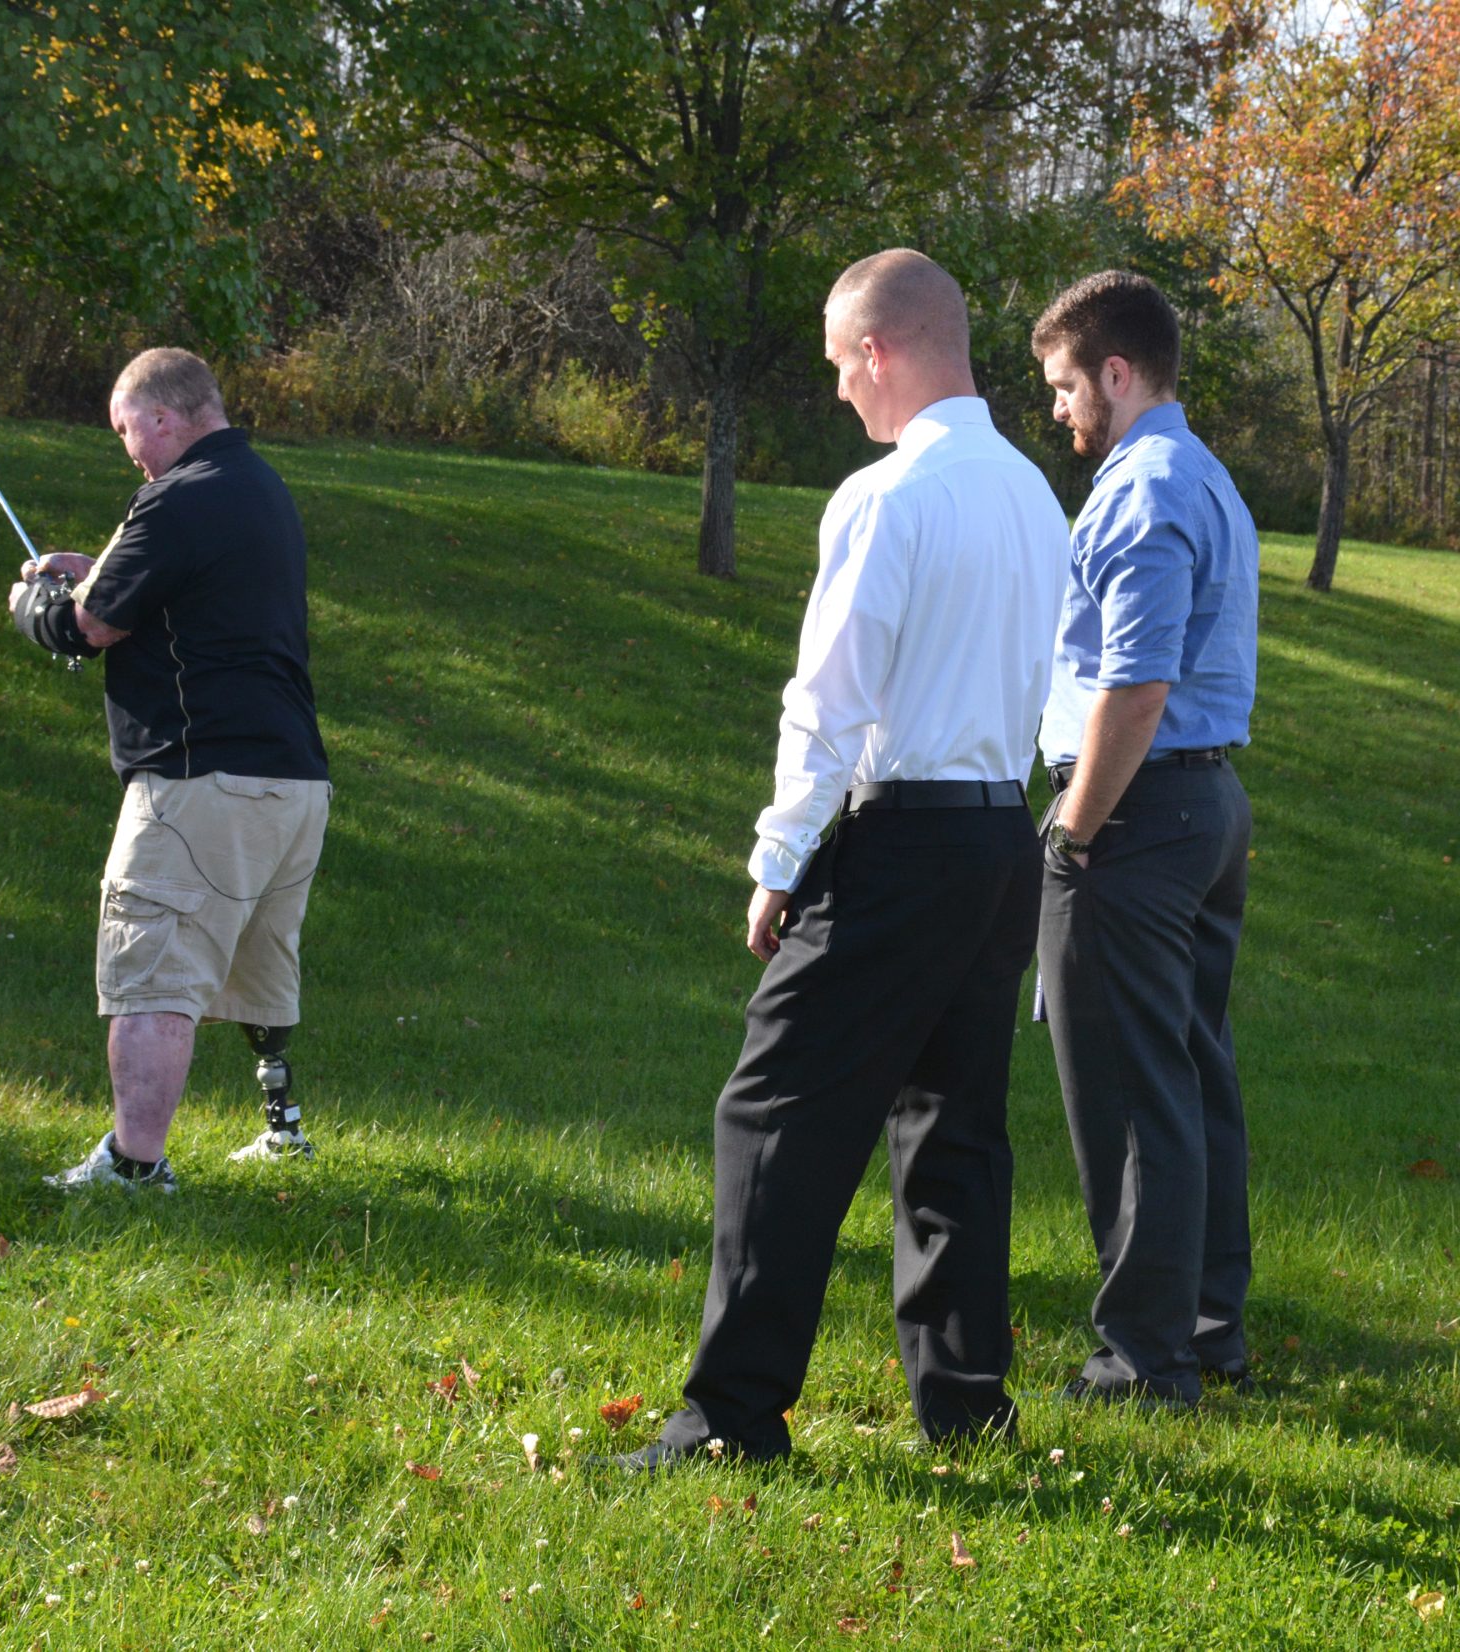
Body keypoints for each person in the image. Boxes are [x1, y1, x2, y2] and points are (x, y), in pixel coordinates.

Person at [616, 250, 1071, 1468]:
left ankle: (729, 1418)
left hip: (904, 836)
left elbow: (826, 700)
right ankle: (966, 1406)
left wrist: (777, 858)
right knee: (953, 1127)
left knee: (771, 1110)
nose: (835, 392)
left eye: (836, 364)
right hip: (994, 840)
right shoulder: (1034, 493)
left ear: (879, 349)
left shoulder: (885, 495)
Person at [6, 347, 331, 1191]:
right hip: (291, 782)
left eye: (126, 430)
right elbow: (174, 597)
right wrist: (98, 573)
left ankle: (135, 1166)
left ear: (161, 416)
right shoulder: (258, 486)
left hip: (200, 782)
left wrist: (38, 607)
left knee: (151, 969)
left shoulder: (173, 498)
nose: (129, 451)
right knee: (261, 969)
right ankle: (282, 1131)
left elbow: (94, 629)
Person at [1030, 272, 1259, 1407]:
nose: (1060, 409)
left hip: (1136, 813)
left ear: (1115, 373)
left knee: (1129, 1089)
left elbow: (1135, 682)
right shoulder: (1202, 472)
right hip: (1202, 810)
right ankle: (1207, 1328)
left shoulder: (1142, 487)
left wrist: (1071, 833)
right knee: (1192, 1076)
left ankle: (1142, 1355)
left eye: (1066, 386)